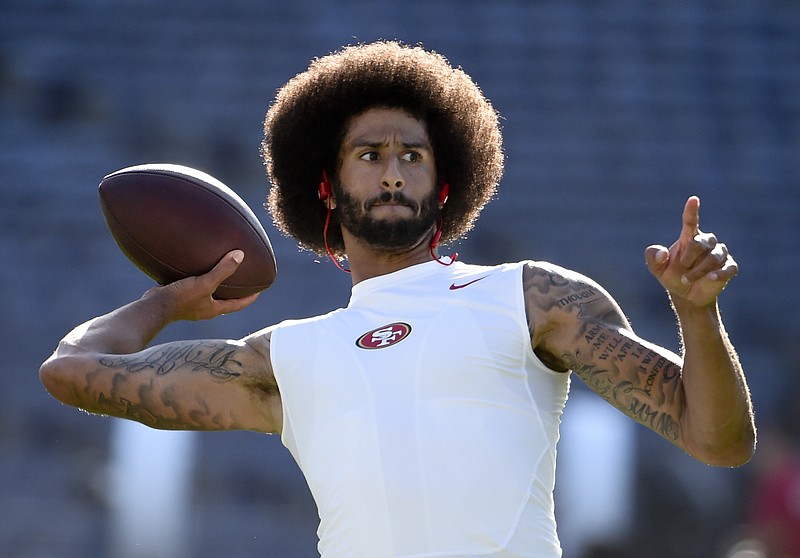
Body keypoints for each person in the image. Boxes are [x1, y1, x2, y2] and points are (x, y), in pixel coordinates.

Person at [40, 41, 756, 557]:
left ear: (444, 187)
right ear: (327, 185)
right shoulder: (284, 357)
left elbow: (718, 440)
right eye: (369, 155)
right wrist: (172, 299)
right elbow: (70, 370)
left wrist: (697, 312)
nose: (391, 174)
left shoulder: (533, 299)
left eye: (411, 156)